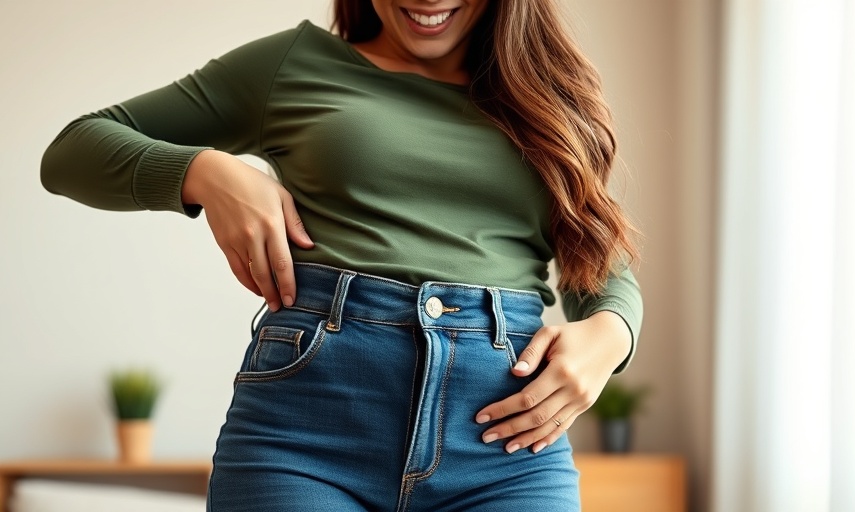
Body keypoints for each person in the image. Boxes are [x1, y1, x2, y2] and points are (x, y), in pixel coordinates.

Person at [41, 0, 643, 510]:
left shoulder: (549, 98)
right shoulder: (295, 65)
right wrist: (206, 171)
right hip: (305, 435)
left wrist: (612, 332)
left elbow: (599, 261)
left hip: (507, 447)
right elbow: (72, 152)